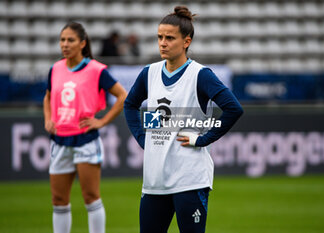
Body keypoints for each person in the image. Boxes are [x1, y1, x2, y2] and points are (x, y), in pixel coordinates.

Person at [124, 6, 243, 233]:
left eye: (170, 38)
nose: (163, 43)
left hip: (190, 178)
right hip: (154, 180)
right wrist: (142, 138)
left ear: (186, 42)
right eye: (159, 37)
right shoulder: (149, 72)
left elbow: (233, 108)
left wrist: (203, 139)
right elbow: (129, 104)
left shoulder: (200, 74)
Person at [43, 22, 127, 233]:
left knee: (90, 197)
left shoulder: (96, 70)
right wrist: (48, 118)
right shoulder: (55, 69)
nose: (65, 44)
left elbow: (122, 96)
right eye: (62, 40)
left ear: (82, 43)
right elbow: (48, 96)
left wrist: (102, 121)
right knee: (59, 199)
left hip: (86, 139)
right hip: (59, 140)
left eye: (70, 40)